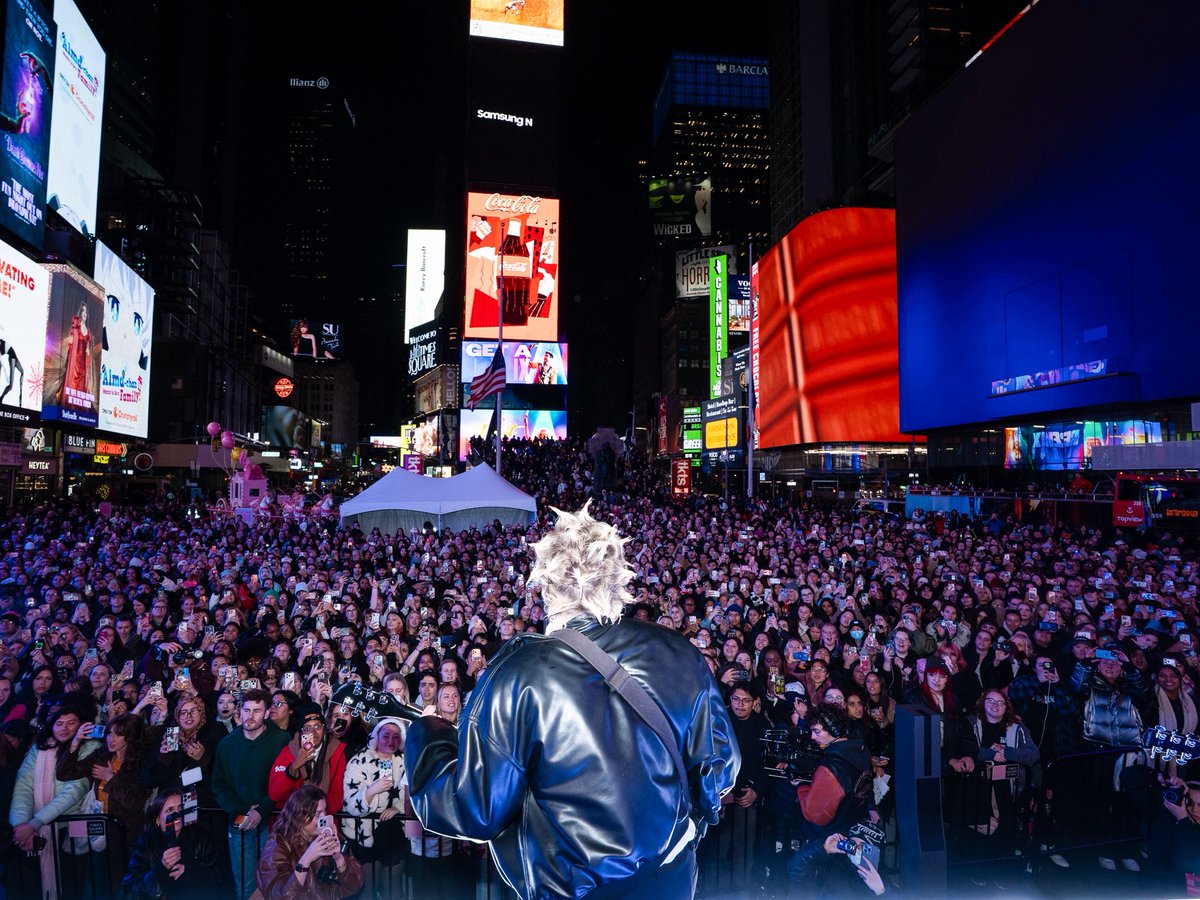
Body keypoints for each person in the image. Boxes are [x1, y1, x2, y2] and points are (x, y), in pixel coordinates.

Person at [405, 502, 740, 899]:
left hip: (571, 890)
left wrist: (427, 734)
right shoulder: (680, 652)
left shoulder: (518, 671)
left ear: (545, 585)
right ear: (619, 580)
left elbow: (475, 809)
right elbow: (721, 768)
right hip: (669, 878)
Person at [8, 703, 100, 900]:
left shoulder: (91, 747)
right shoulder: (39, 748)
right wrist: (21, 825)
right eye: (59, 723)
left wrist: (35, 823)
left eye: (71, 723)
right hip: (32, 830)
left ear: (81, 725)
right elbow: (24, 785)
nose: (64, 728)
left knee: (70, 886)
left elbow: (74, 790)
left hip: (68, 828)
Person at [212, 688, 290, 900]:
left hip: (273, 823)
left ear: (266, 713)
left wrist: (262, 809)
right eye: (246, 710)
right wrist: (245, 811)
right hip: (240, 823)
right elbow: (219, 785)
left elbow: (288, 782)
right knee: (244, 886)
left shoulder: (281, 740)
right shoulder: (227, 744)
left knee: (274, 883)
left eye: (257, 711)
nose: (250, 716)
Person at [254, 784, 363, 899]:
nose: (324, 818)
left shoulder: (329, 837)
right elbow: (279, 896)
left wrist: (339, 858)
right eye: (317, 814)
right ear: (299, 816)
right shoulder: (278, 844)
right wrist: (306, 859)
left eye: (325, 811)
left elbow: (353, 887)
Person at [122, 788, 225, 899]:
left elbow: (218, 879)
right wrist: (161, 868)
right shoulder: (146, 844)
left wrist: (189, 868)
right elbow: (131, 891)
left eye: (180, 808)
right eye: (169, 810)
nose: (177, 814)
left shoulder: (201, 837)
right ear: (157, 819)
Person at [269, 705, 347, 813]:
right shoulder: (288, 751)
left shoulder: (337, 752)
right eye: (307, 728)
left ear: (324, 729)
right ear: (301, 733)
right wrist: (294, 767)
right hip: (293, 819)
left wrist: (314, 818)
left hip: (321, 819)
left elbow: (336, 797)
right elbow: (275, 794)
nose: (313, 733)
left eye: (317, 726)